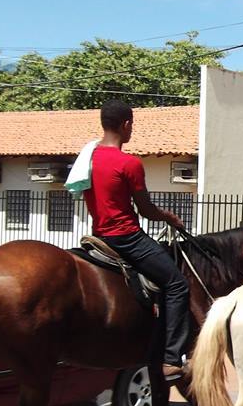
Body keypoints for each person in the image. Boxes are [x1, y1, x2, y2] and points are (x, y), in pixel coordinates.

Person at [81, 100, 189, 382]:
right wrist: (169, 218)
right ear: (125, 125)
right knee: (176, 284)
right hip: (126, 237)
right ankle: (171, 359)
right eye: (132, 126)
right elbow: (146, 211)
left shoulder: (87, 158)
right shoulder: (129, 163)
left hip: (98, 235)